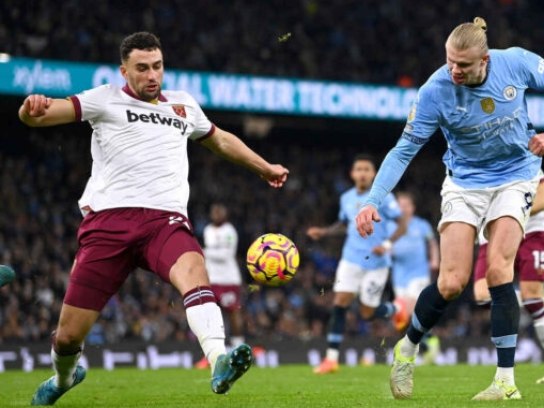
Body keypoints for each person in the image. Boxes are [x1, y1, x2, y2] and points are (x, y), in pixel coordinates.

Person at [18, 32, 289, 405]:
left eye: (157, 67)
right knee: (67, 337)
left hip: (165, 221)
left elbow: (221, 139)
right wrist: (29, 109)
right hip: (107, 226)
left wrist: (264, 168)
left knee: (194, 269)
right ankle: (64, 379)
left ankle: (219, 359)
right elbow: (44, 114)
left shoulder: (183, 106)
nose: (152, 75)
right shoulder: (104, 98)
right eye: (142, 68)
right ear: (124, 71)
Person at [355, 17, 544, 401]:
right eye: (450, 61)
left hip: (517, 176)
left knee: (499, 272)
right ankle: (408, 348)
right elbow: (403, 150)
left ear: (485, 60)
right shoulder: (434, 91)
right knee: (452, 282)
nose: (454, 70)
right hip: (465, 183)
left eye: (464, 65)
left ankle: (505, 381)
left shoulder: (516, 62)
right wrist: (373, 201)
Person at [307, 154, 408, 374]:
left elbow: (402, 224)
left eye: (367, 169)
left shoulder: (384, 198)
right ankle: (331, 359)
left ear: (374, 174)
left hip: (377, 261)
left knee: (366, 313)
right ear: (352, 174)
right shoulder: (346, 198)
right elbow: (345, 224)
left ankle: (397, 308)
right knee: (340, 302)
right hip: (351, 258)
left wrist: (388, 244)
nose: (362, 173)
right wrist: (324, 232)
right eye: (358, 169)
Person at [474, 173, 544, 383]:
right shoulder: (478, 161)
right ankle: (531, 298)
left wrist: (508, 213)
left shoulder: (526, 159)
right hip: (491, 235)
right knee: (482, 295)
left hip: (532, 233)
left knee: (533, 301)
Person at [388, 192, 441, 363]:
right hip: (399, 275)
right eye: (399, 206)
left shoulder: (421, 225)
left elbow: (432, 242)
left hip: (418, 273)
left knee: (409, 308)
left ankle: (421, 345)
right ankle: (426, 342)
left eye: (406, 205)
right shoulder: (390, 226)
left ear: (412, 208)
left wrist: (435, 259)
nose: (402, 209)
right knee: (402, 317)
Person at [194, 203, 246, 369]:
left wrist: (205, 251)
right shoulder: (208, 230)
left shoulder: (229, 231)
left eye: (219, 211)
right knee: (210, 314)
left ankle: (239, 350)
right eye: (213, 211)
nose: (216, 214)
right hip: (211, 278)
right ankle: (212, 354)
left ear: (226, 214)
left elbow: (227, 254)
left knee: (232, 312)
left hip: (228, 279)